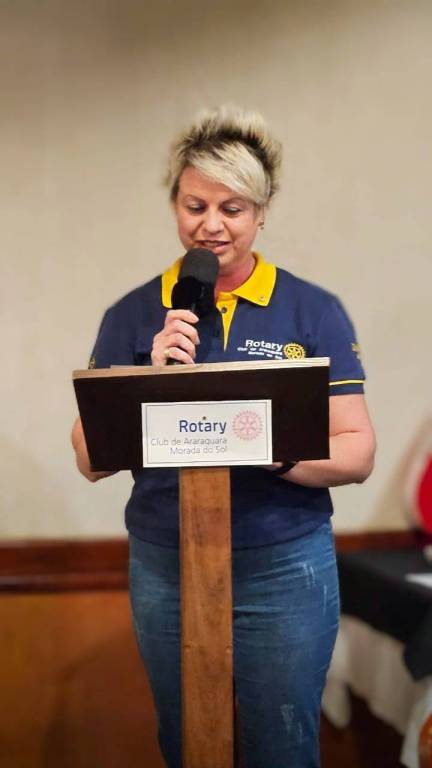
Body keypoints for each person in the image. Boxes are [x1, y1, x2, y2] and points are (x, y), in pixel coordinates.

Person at [71, 106, 376, 768]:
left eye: (232, 208)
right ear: (175, 207)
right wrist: (146, 378)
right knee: (188, 740)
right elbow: (90, 458)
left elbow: (357, 451)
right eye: (195, 206)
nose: (211, 224)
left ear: (261, 213)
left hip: (283, 562)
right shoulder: (133, 313)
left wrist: (272, 450)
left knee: (282, 745)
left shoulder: (311, 309)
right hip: (166, 561)